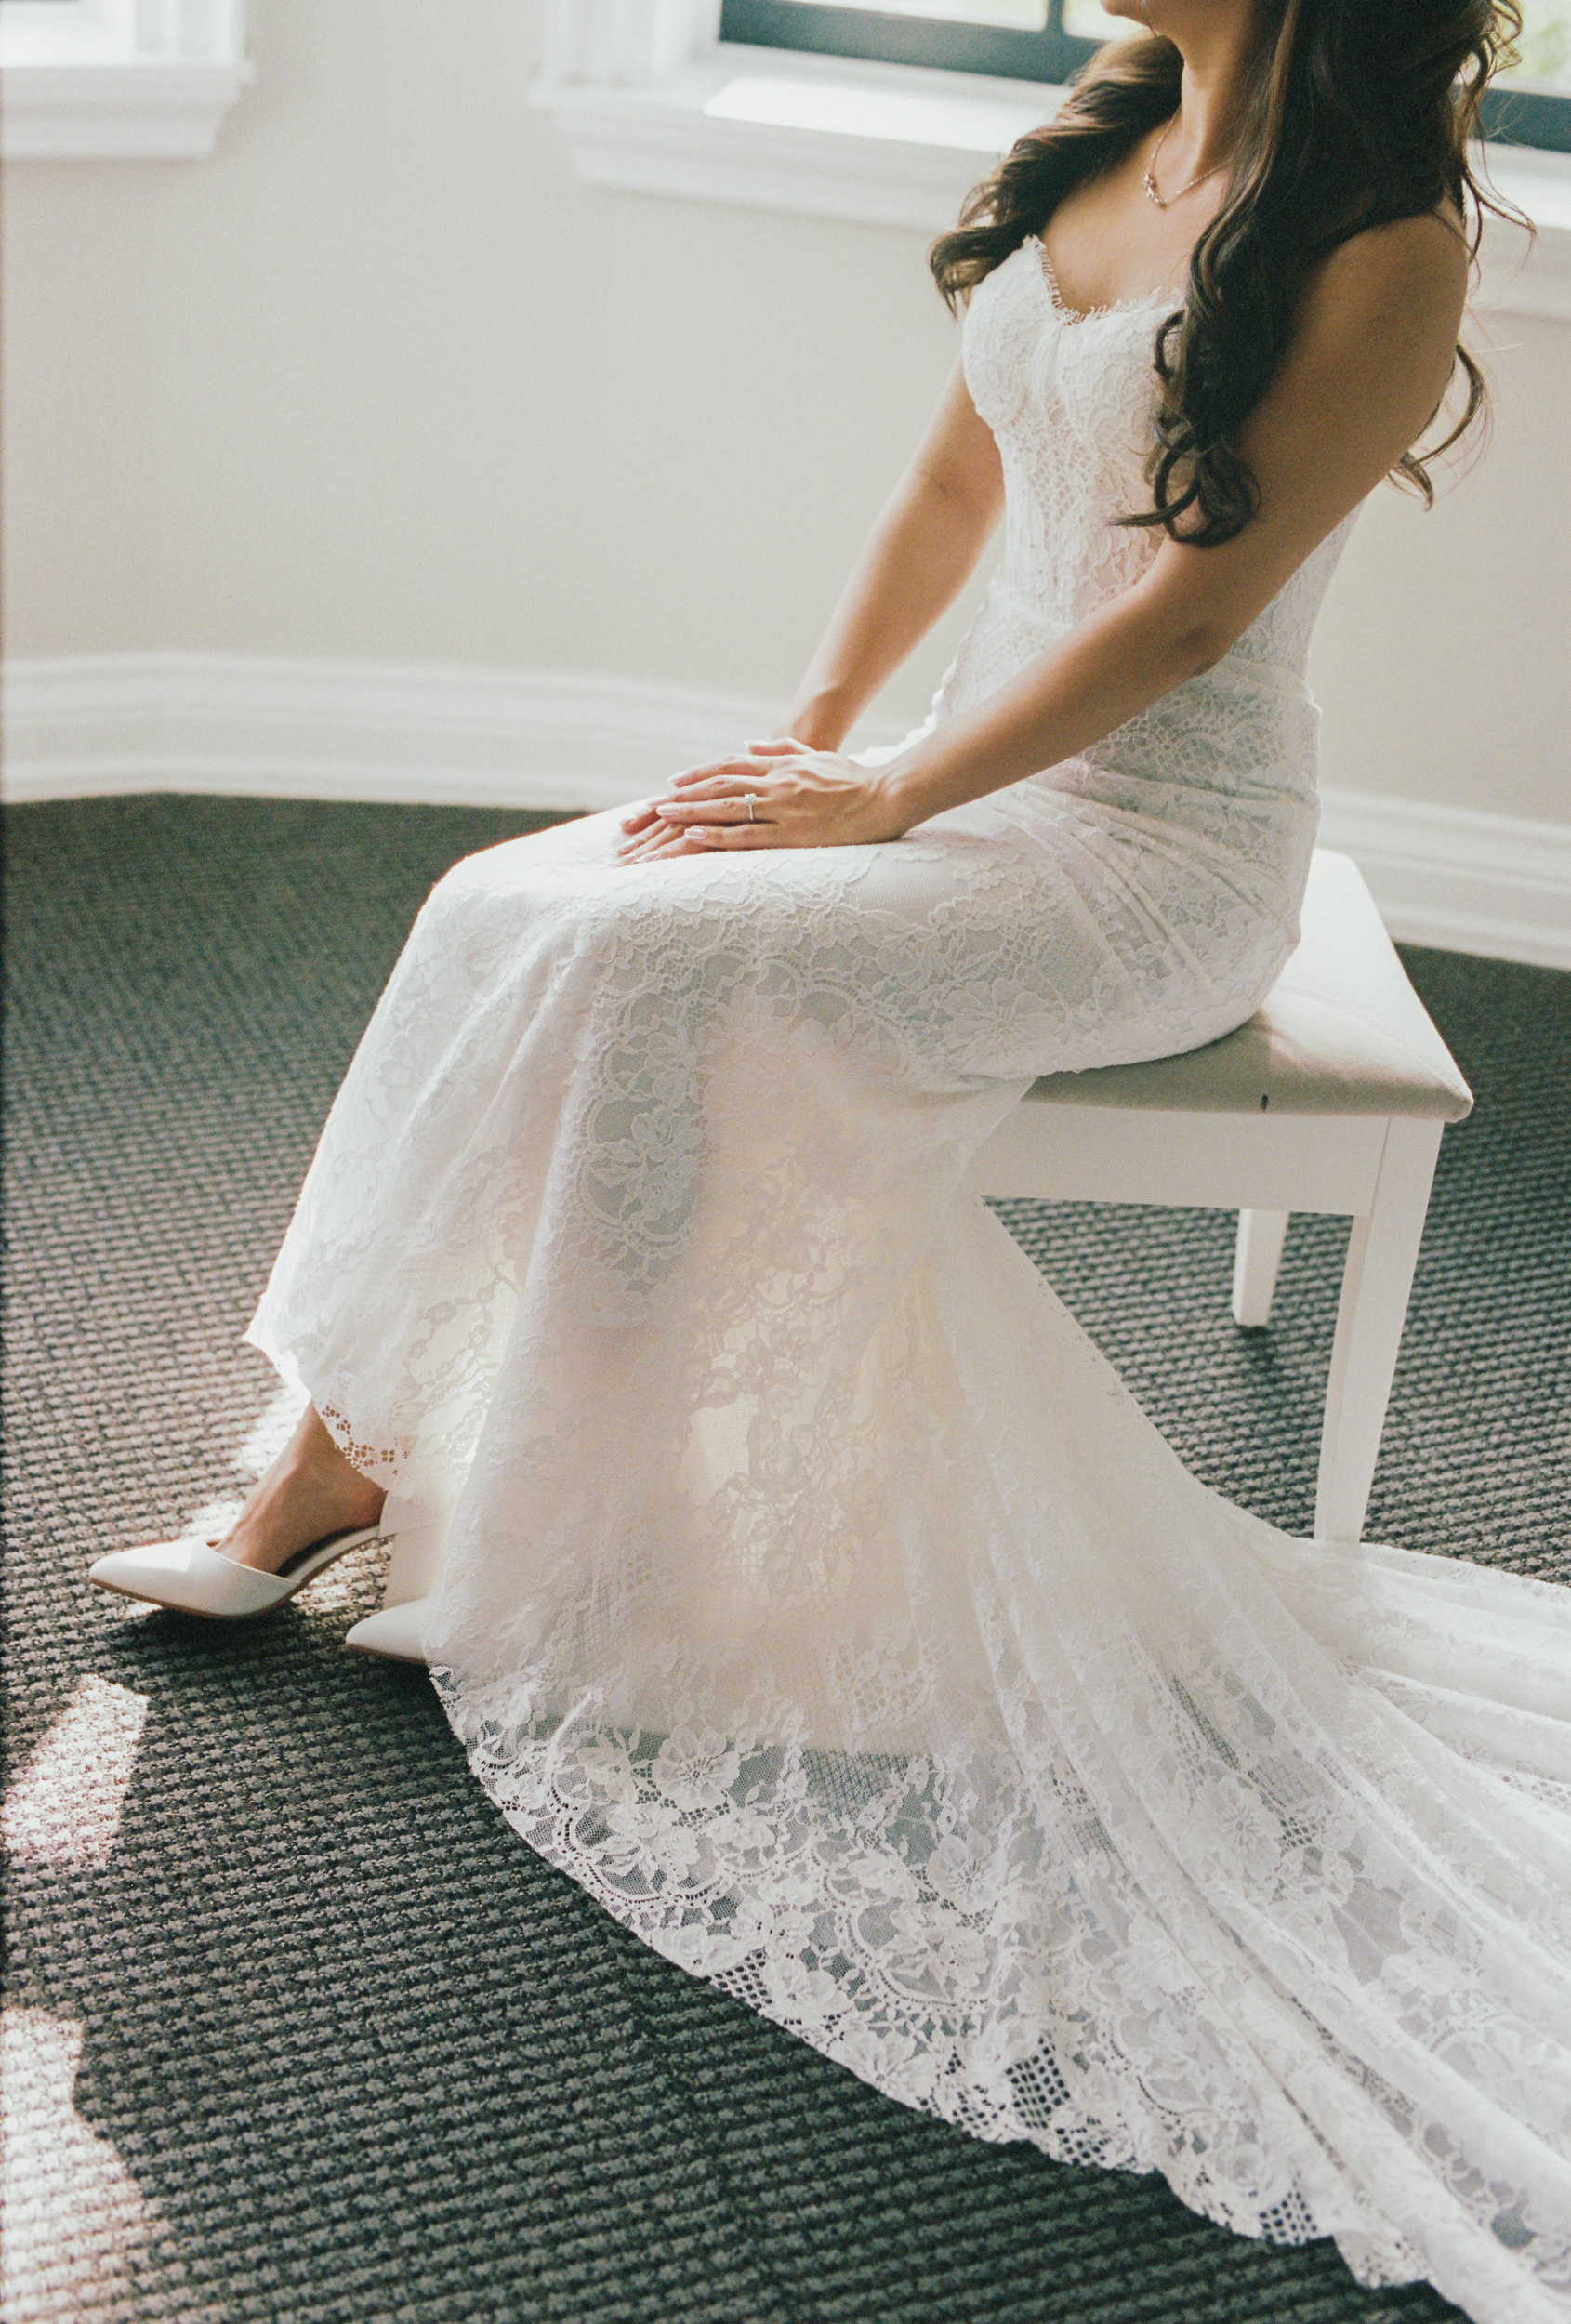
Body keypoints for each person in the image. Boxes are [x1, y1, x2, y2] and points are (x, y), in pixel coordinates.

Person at [90, 2, 1570, 2317]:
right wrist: (795, 743)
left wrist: (889, 801)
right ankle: (345, 1435)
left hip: (1148, 855)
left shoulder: (1380, 239)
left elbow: (1189, 610)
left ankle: (359, 1478)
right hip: (945, 776)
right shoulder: (1098, 139)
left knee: (654, 979)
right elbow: (956, 487)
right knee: (507, 900)